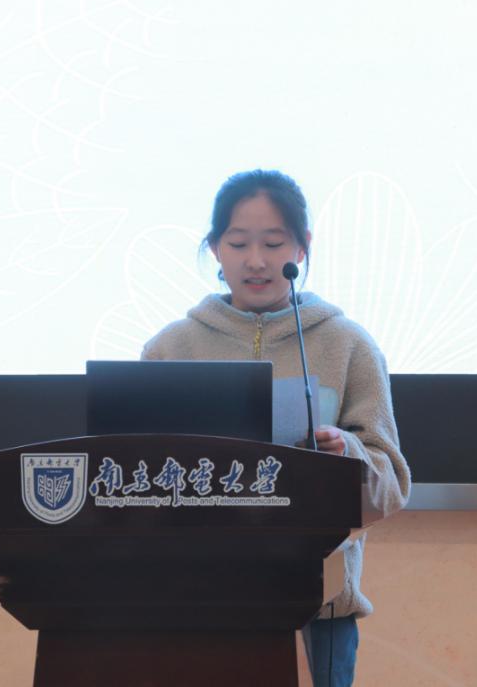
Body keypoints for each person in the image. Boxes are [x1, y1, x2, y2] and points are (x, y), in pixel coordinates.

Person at [141, 169, 411, 686]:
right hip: (195, 599)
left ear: (302, 247)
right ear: (215, 248)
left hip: (318, 606)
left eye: (272, 243)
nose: (256, 260)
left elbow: (391, 485)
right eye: (238, 242)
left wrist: (347, 453)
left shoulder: (348, 345)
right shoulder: (170, 350)